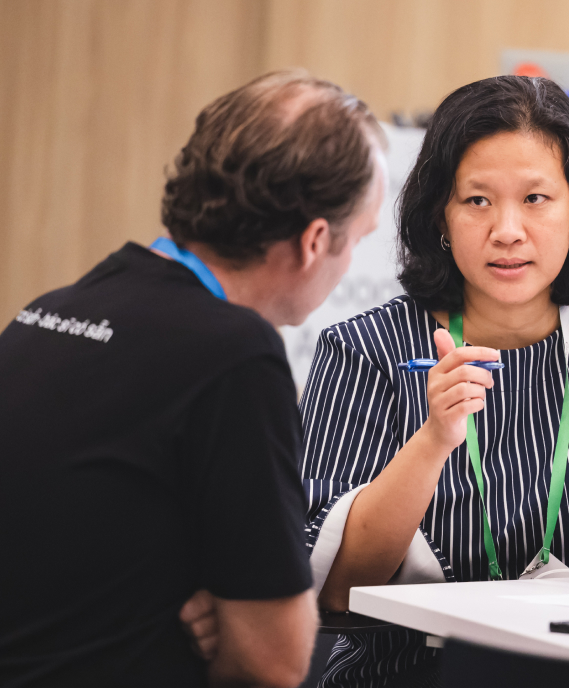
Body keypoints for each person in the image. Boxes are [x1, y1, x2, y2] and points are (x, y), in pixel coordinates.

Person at [299, 75, 569, 686]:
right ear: (441, 215)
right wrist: (432, 441)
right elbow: (334, 588)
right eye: (478, 201)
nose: (507, 230)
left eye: (536, 199)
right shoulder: (365, 352)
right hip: (419, 672)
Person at [0, 71, 387, 687]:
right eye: (358, 241)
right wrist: (238, 617)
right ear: (316, 241)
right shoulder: (235, 356)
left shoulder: (49, 310)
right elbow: (274, 662)